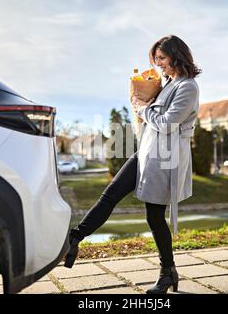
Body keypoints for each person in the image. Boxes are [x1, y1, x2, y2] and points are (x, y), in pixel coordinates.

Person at [64, 35, 200, 294]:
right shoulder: (168, 83)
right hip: (146, 152)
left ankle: (167, 272)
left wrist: (142, 109)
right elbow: (155, 116)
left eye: (161, 58)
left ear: (176, 56)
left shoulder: (188, 87)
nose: (158, 63)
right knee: (110, 194)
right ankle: (74, 238)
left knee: (154, 217)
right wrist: (145, 105)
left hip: (166, 158)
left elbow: (167, 123)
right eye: (156, 59)